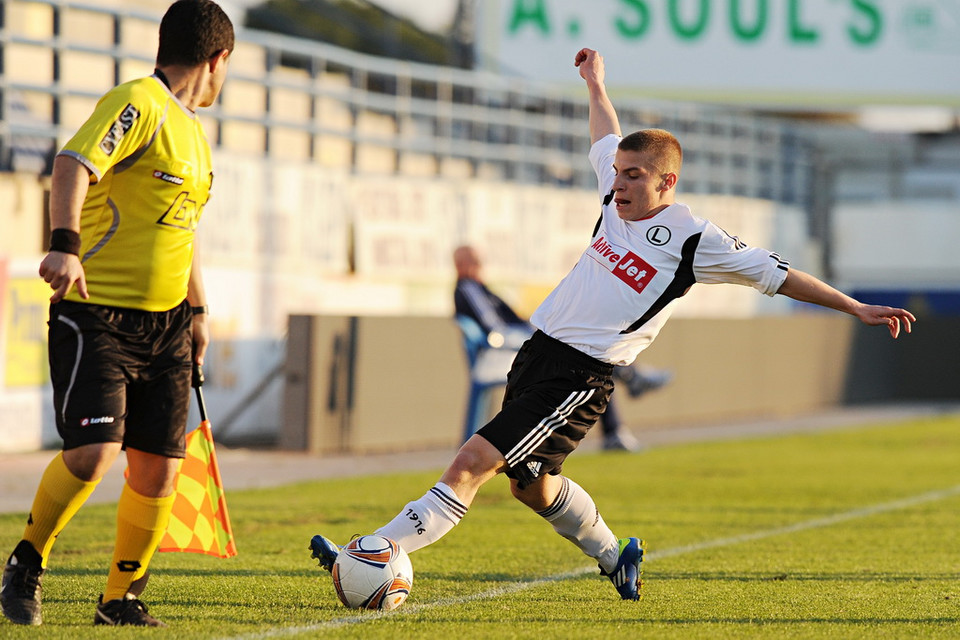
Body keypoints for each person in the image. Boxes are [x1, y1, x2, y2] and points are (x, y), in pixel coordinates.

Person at [309, 47, 915, 602]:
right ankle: (613, 553)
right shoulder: (613, 197)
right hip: (538, 352)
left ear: (666, 182)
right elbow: (605, 134)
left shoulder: (695, 239)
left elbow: (779, 274)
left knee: (472, 462)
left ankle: (375, 551)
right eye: (617, 173)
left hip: (580, 374)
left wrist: (856, 307)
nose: (618, 183)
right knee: (532, 485)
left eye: (633, 176)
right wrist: (596, 84)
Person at [0, 0, 233, 627]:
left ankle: (118, 599)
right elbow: (74, 163)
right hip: (97, 311)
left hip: (169, 325)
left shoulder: (193, 133)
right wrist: (63, 245)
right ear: (218, 59)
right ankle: (27, 558)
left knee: (159, 470)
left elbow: (181, 231)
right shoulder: (139, 101)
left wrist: (199, 309)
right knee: (95, 452)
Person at [452, 244, 671, 450]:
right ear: (463, 265)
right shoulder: (468, 288)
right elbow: (495, 328)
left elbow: (510, 321)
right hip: (505, 353)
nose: (478, 267)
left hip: (520, 346)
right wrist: (536, 333)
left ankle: (624, 398)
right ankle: (629, 385)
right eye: (473, 262)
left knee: (592, 360)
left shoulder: (481, 289)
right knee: (591, 360)